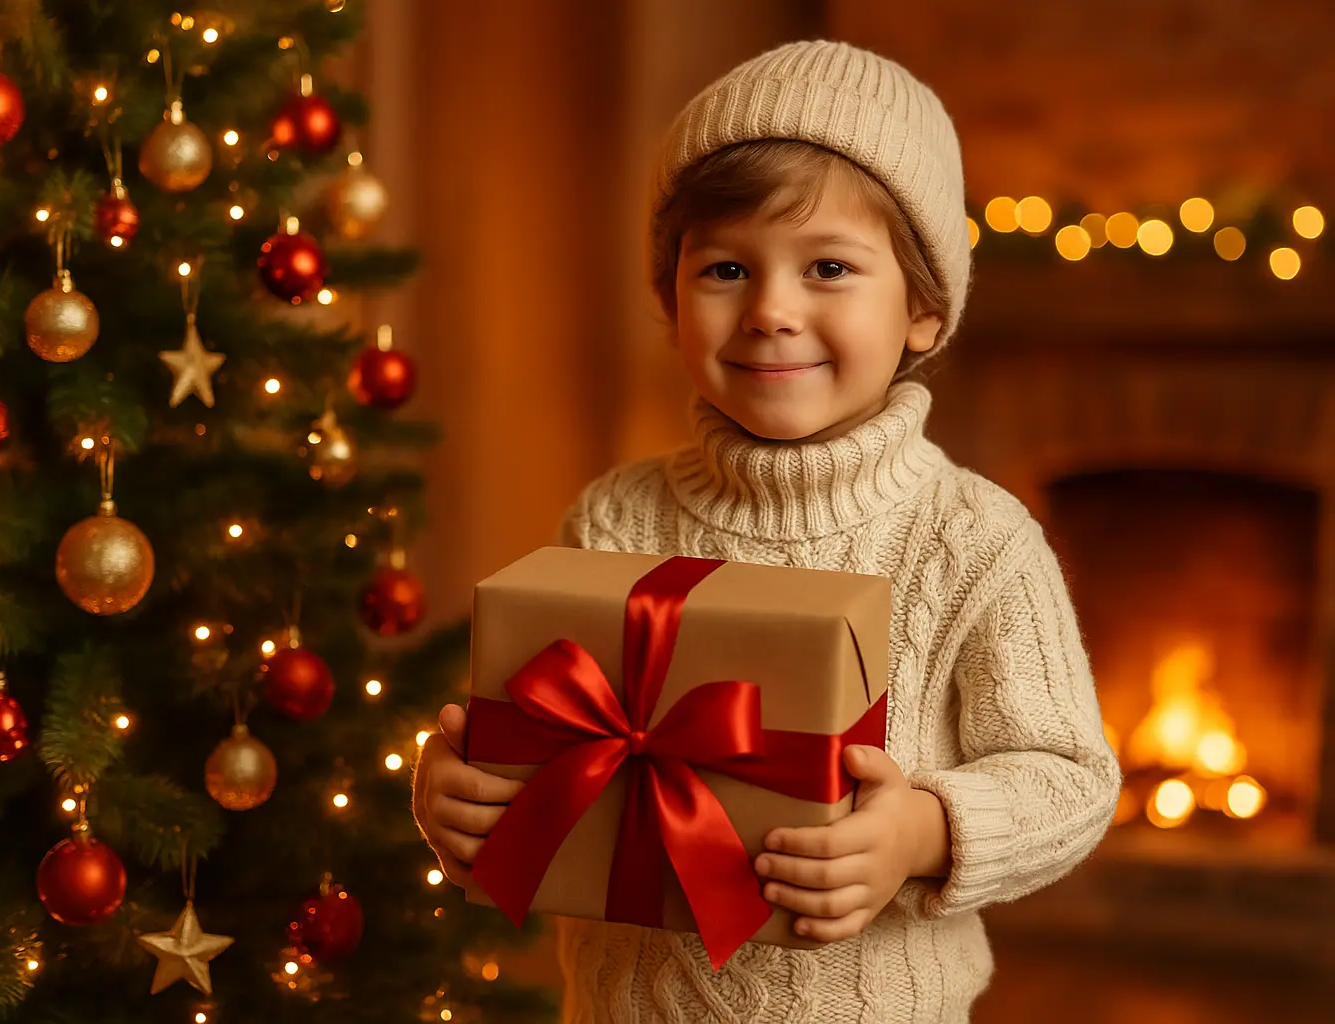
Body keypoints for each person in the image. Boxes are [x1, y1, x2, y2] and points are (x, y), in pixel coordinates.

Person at [412, 39, 1121, 1023]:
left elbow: (1070, 780)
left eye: (828, 266)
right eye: (727, 269)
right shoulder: (615, 518)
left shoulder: (975, 539)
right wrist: (458, 787)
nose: (772, 311)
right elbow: (542, 742)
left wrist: (924, 830)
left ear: (922, 309)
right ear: (669, 301)